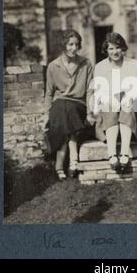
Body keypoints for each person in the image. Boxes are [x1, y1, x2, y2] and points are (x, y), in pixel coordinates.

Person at [44, 29, 95, 180]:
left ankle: (60, 165)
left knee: (68, 108)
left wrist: (90, 112)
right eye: (70, 44)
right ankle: (74, 161)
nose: (74, 48)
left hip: (79, 105)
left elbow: (90, 90)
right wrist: (46, 114)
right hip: (60, 107)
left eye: (76, 44)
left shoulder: (86, 64)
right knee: (63, 106)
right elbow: (49, 93)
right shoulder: (53, 66)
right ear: (63, 45)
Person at [89, 32, 137, 172]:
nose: (115, 52)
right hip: (109, 100)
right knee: (108, 107)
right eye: (111, 48)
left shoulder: (133, 64)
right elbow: (99, 90)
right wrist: (109, 99)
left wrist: (129, 97)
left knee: (127, 107)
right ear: (106, 50)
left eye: (117, 48)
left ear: (123, 48)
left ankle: (125, 153)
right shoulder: (100, 67)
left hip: (128, 100)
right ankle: (112, 154)